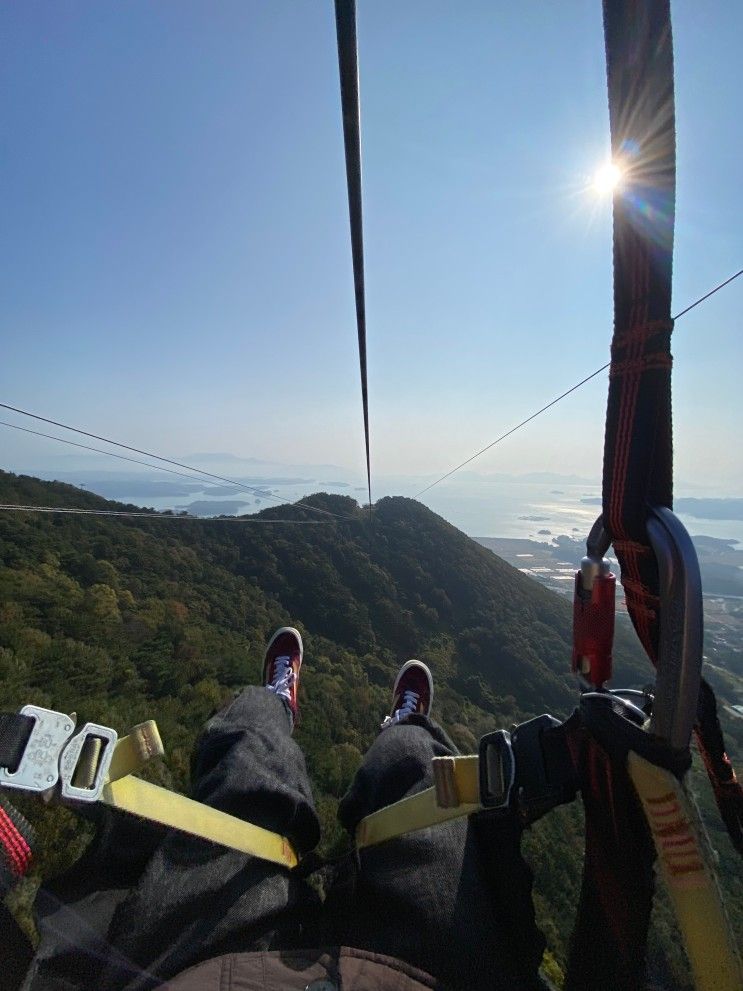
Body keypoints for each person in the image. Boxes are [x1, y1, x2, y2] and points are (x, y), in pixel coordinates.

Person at [21, 628, 549, 991]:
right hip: (429, 975)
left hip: (195, 971)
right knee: (415, 767)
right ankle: (404, 728)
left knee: (248, 750)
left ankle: (276, 701)